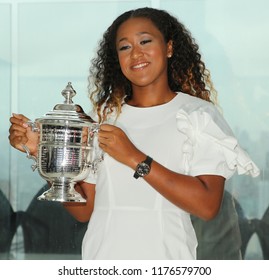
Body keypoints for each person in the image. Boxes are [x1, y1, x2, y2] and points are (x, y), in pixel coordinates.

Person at [9, 7, 260, 260]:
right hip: (101, 263)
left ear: (169, 48)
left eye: (145, 41)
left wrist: (134, 157)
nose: (136, 53)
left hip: (167, 264)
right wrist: (43, 150)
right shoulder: (104, 118)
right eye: (124, 47)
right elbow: (84, 210)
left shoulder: (198, 115)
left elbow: (207, 206)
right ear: (117, 58)